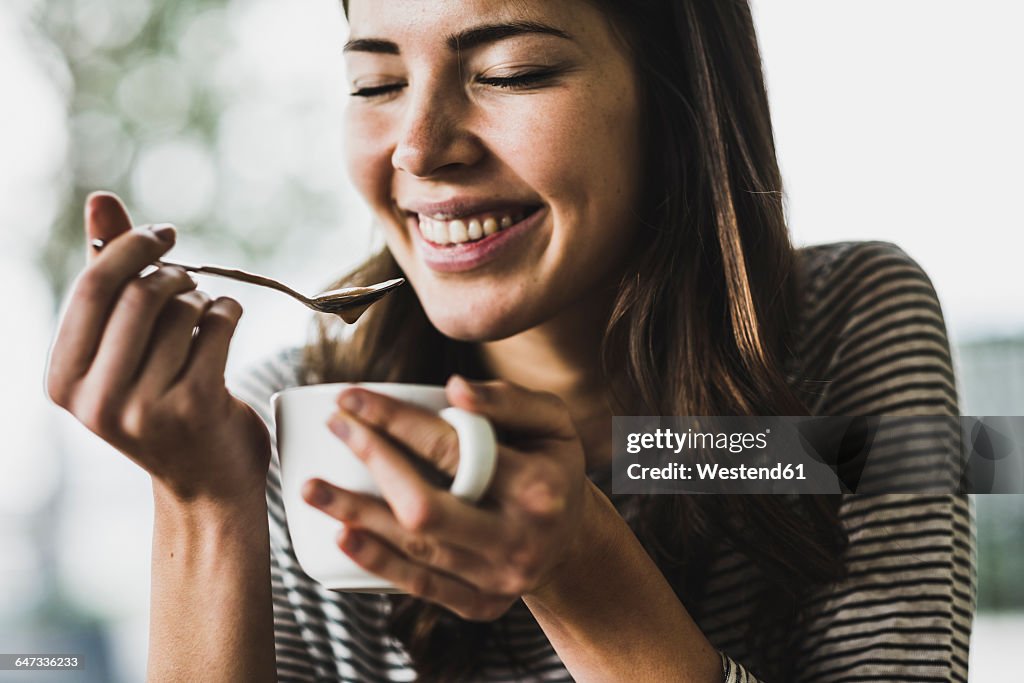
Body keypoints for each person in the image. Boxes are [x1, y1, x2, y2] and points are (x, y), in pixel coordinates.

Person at [46, 0, 974, 681]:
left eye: (513, 71)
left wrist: (580, 562)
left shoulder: (842, 319)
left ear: (675, 98)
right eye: (375, 82)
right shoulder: (298, 422)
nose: (419, 146)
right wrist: (205, 500)